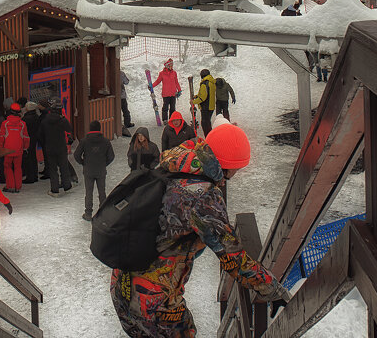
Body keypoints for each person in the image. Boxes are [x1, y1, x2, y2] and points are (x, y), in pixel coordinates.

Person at [109, 122, 289, 337]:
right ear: (229, 165)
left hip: (123, 284)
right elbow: (233, 257)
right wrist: (273, 289)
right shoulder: (202, 196)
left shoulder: (174, 166)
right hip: (153, 300)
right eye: (239, 167)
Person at [73, 120, 114, 221]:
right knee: (102, 191)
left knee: (89, 192)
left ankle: (88, 213)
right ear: (100, 129)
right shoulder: (105, 141)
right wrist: (104, 164)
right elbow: (111, 156)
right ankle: (103, 213)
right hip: (101, 170)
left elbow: (76, 155)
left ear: (90, 129)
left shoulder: (84, 141)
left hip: (88, 170)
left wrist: (83, 163)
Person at [39, 98, 73, 195]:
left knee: (52, 169)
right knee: (64, 167)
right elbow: (69, 128)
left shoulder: (45, 121)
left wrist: (45, 143)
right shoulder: (62, 120)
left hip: (50, 147)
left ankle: (55, 190)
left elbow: (40, 135)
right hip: (61, 147)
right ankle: (67, 186)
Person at [0, 102, 29, 191]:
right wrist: (25, 148)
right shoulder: (23, 124)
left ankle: (10, 186)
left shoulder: (5, 123)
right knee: (18, 167)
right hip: (19, 149)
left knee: (7, 167)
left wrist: (1, 148)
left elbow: (1, 137)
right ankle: (18, 186)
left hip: (7, 150)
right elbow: (26, 137)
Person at [21, 101, 42, 184]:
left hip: (28, 139)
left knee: (29, 158)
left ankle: (30, 177)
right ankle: (34, 175)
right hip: (34, 138)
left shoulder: (26, 118)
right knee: (33, 156)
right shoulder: (36, 116)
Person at [192, 69, 218, 135]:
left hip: (205, 106)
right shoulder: (212, 82)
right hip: (211, 106)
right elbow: (208, 93)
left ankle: (209, 139)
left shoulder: (204, 83)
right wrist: (197, 96)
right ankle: (211, 137)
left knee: (205, 124)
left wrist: (194, 102)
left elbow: (203, 97)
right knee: (208, 123)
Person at [119, 71, 133, 136]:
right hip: (122, 95)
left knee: (114, 112)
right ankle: (127, 123)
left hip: (114, 96)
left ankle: (116, 124)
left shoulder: (108, 72)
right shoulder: (121, 73)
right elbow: (126, 82)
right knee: (125, 110)